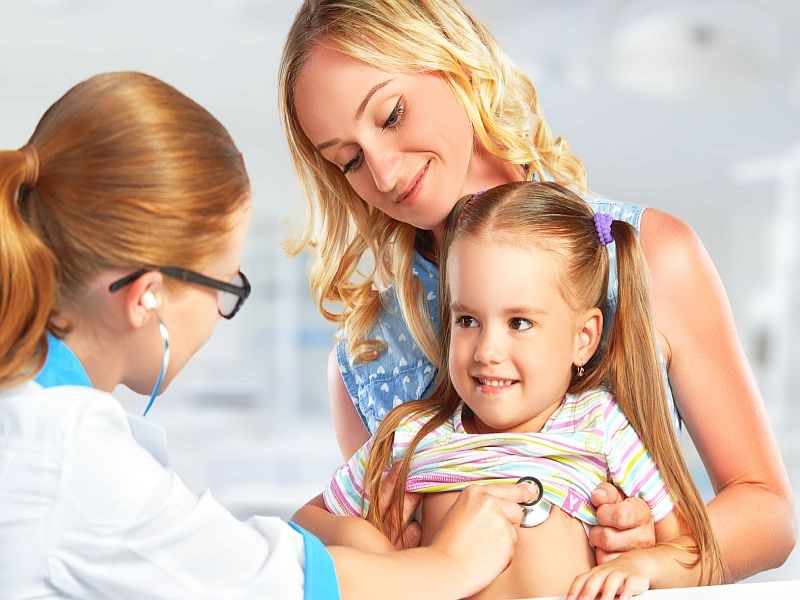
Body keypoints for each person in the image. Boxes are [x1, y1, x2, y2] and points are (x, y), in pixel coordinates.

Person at [278, 0, 795, 580]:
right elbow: (377, 561)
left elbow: (767, 514)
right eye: (349, 160)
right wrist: (368, 545)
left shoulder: (649, 256)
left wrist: (656, 557)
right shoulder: (364, 357)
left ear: (456, 63)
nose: (385, 173)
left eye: (392, 115)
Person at [0, 71, 541, 600]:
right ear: (146, 296)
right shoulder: (67, 453)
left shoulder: (41, 425)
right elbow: (270, 582)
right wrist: (449, 565)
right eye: (225, 286)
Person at [294, 181, 725, 599]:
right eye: (467, 320)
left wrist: (642, 566)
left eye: (519, 323)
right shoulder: (412, 434)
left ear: (584, 337)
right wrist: (369, 544)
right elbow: (303, 524)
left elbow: (691, 550)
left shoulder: (601, 427)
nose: (487, 350)